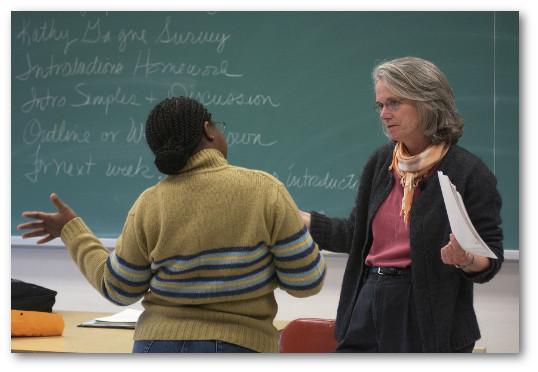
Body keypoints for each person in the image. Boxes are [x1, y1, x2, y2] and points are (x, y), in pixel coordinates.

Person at [17, 96, 326, 353]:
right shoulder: (264, 190)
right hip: (239, 347)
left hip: (155, 348)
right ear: (208, 131)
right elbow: (306, 281)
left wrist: (72, 230)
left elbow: (118, 288)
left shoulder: (149, 203)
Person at [300, 57, 503, 353]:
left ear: (427, 102)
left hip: (425, 309)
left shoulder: (469, 172)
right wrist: (298, 219)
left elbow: (490, 259)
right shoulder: (382, 162)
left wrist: (465, 259)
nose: (384, 114)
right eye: (380, 105)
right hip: (368, 295)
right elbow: (355, 235)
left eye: (394, 103)